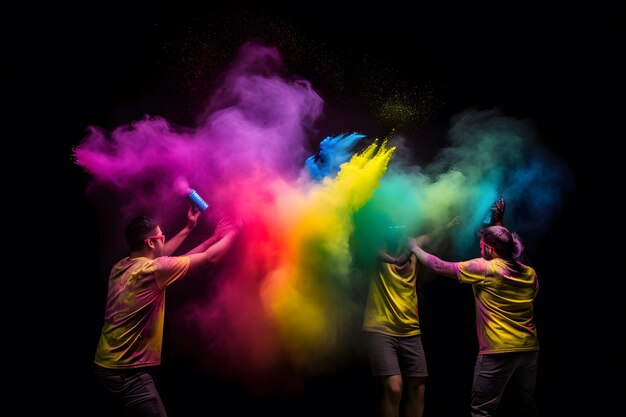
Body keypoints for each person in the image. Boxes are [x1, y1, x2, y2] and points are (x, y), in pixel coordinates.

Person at [93, 206, 240, 417]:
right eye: (161, 235)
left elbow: (172, 261)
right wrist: (234, 231)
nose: (164, 238)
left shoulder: (120, 267)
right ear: (151, 242)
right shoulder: (153, 271)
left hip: (104, 368)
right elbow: (210, 258)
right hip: (128, 373)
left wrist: (195, 231)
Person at [406, 198, 540, 417]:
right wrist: (499, 222)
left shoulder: (485, 268)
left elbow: (439, 266)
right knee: (526, 406)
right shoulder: (529, 273)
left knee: (482, 410)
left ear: (488, 248)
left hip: (498, 349)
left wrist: (414, 248)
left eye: (482, 246)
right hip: (529, 349)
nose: (480, 248)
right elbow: (510, 250)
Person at [362, 217, 460, 417]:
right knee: (394, 387)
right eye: (392, 227)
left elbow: (433, 236)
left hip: (410, 330)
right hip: (380, 328)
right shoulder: (377, 248)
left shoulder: (412, 245)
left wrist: (449, 225)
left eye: (400, 227)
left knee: (418, 387)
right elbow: (371, 250)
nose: (397, 231)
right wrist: (394, 259)